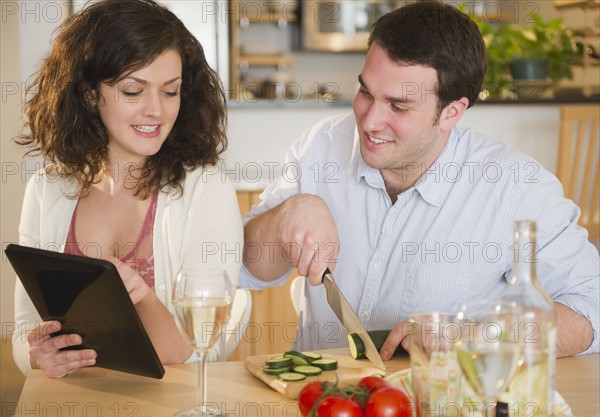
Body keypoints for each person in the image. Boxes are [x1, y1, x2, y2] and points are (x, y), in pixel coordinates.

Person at [241, 1, 599, 358]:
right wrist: (285, 216)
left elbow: (590, 309)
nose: (369, 121)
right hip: (317, 399)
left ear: (451, 113)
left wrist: (475, 338)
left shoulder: (517, 187)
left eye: (398, 106)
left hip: (440, 405)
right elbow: (246, 268)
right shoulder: (320, 148)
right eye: (366, 91)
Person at [12, 0, 243, 378]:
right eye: (133, 91)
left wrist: (142, 297)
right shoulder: (45, 189)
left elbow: (203, 349)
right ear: (90, 95)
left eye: (170, 91)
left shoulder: (207, 190)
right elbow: (24, 338)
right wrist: (40, 354)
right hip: (72, 410)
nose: (156, 110)